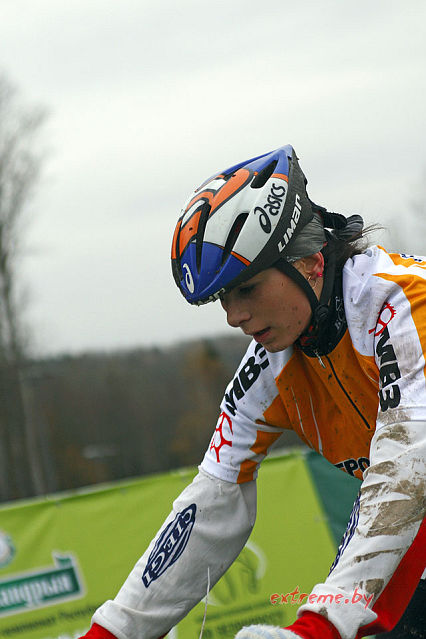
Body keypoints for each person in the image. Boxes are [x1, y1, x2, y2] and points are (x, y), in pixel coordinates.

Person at [80, 145, 426, 639]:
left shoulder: (403, 304)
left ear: (309, 262)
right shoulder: (275, 358)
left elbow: (409, 470)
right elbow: (214, 500)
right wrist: (114, 631)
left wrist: (319, 627)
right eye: (223, 298)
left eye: (247, 289)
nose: (233, 316)